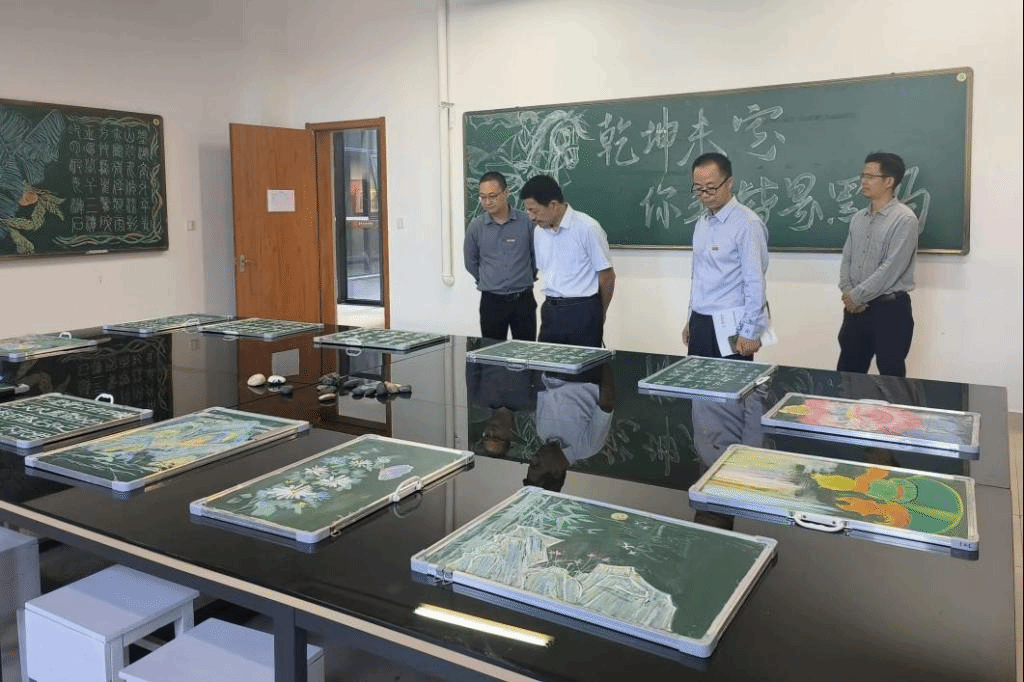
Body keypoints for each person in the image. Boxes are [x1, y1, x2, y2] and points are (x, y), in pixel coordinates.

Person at [837, 152, 919, 377]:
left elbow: (891, 269)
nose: (863, 181)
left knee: (891, 380)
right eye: (863, 176)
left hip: (890, 311)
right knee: (847, 376)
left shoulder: (904, 219)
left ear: (889, 181)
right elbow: (847, 259)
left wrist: (857, 296)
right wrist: (847, 291)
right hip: (855, 311)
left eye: (870, 177)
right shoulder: (858, 218)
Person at [682, 153, 769, 360]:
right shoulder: (701, 224)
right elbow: (698, 277)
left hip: (732, 324)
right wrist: (690, 319)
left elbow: (755, 282)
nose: (704, 195)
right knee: (696, 379)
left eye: (711, 188)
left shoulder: (747, 224)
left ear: (729, 183)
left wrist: (750, 331)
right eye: (698, 189)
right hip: (700, 321)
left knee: (731, 380)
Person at [519, 175, 615, 348]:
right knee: (547, 363)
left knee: (584, 364)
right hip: (551, 310)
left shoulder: (587, 228)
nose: (531, 217)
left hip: (583, 310)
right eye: (528, 211)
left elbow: (607, 276)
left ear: (553, 205)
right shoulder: (539, 232)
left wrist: (599, 313)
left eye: (534, 210)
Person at [463, 171, 537, 340]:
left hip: (523, 300)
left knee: (525, 350)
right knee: (491, 350)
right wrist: (487, 279)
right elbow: (470, 262)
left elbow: (535, 257)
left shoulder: (527, 222)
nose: (487, 202)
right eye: (483, 197)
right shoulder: (476, 227)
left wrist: (524, 277)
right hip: (491, 302)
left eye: (492, 196)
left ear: (506, 193)